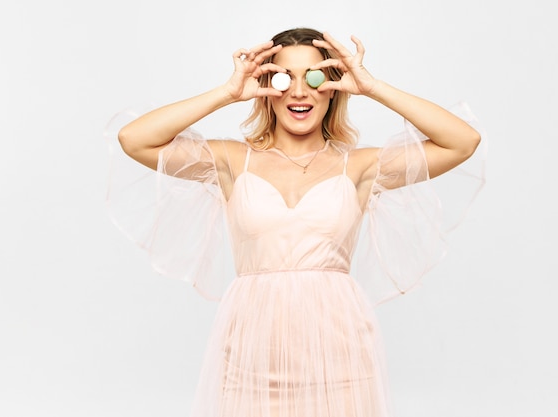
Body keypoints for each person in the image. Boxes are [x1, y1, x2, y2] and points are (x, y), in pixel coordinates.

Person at [107, 27, 483, 417]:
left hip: (340, 364)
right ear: (268, 83)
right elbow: (135, 139)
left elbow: (462, 142)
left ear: (333, 88)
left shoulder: (359, 166)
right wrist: (227, 93)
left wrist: (372, 86)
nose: (299, 92)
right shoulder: (233, 161)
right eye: (285, 78)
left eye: (316, 77)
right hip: (250, 364)